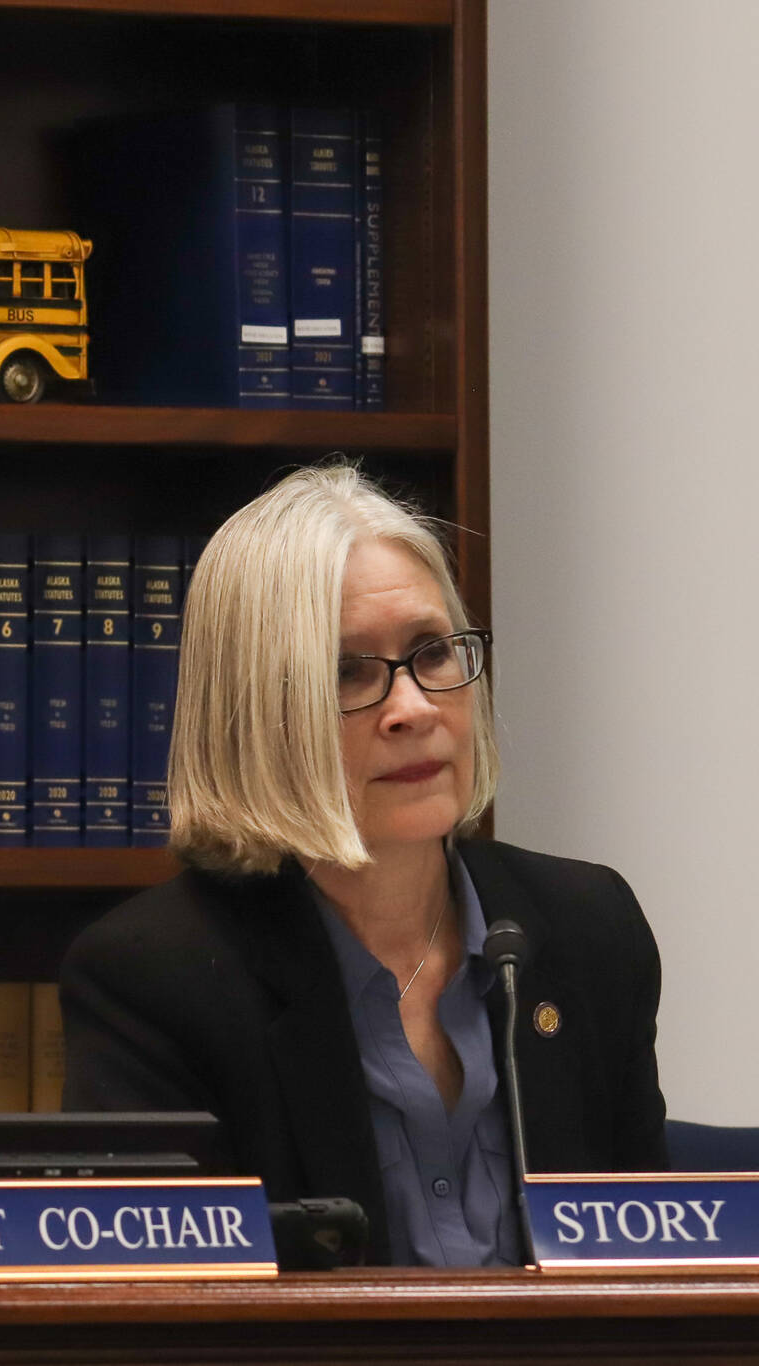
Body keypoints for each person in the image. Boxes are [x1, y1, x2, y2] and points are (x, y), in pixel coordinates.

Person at [60, 465, 666, 1267]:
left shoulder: (588, 929)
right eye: (348, 671)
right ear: (255, 713)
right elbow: (162, 1324)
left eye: (431, 652)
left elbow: (658, 1277)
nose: (412, 707)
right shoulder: (157, 981)